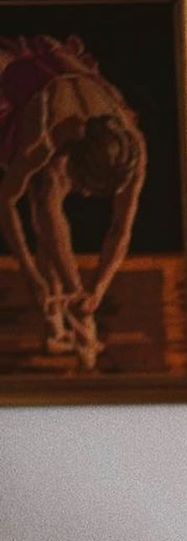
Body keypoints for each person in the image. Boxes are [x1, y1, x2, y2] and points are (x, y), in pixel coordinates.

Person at [0, 34, 147, 369]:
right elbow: (6, 203)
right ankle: (60, 316)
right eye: (84, 188)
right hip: (23, 84)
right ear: (71, 160)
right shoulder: (46, 138)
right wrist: (35, 278)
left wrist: (97, 291)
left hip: (75, 91)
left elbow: (121, 228)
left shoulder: (133, 146)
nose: (85, 197)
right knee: (45, 194)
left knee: (47, 196)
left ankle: (68, 312)